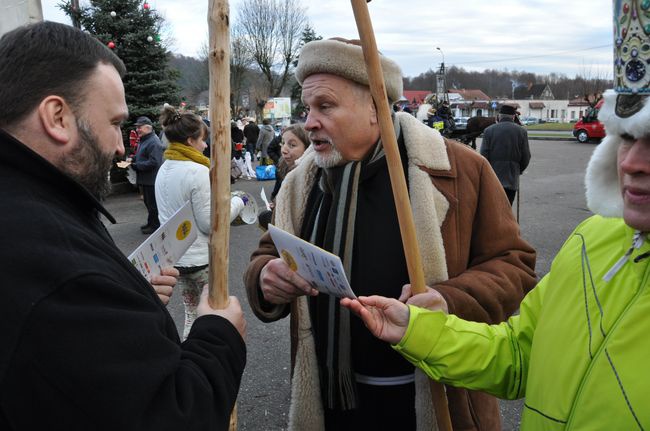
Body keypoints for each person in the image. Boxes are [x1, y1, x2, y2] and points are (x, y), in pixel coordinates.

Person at [243, 37, 536, 430]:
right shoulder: (301, 182)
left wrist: (447, 301)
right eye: (307, 107)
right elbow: (267, 252)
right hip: (331, 405)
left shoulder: (458, 170)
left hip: (427, 402)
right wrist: (266, 277)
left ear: (375, 108)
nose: (309, 121)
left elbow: (514, 266)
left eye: (325, 106)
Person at [0, 22, 246, 430]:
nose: (120, 145)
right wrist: (219, 334)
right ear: (57, 116)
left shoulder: (34, 209)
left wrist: (125, 296)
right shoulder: (48, 258)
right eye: (115, 123)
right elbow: (171, 415)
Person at [155, 106, 213, 340]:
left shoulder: (164, 168)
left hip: (177, 257)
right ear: (190, 141)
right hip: (200, 258)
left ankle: (187, 355)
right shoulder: (197, 170)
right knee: (212, 314)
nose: (205, 145)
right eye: (202, 140)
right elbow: (209, 223)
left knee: (191, 314)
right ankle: (207, 361)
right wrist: (237, 204)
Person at [258, 124, 311, 230]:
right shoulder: (283, 167)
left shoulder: (309, 178)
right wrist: (276, 203)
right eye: (283, 143)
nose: (283, 150)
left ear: (308, 148)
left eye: (292, 145)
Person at [480, 104, 531, 205]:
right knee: (507, 208)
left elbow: (483, 156)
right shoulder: (521, 131)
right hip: (512, 177)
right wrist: (518, 170)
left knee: (493, 209)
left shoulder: (488, 131)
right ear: (513, 117)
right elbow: (526, 157)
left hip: (493, 177)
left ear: (499, 116)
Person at [131, 115, 164, 233]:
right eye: (137, 127)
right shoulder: (145, 139)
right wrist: (133, 159)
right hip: (146, 179)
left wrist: (137, 165)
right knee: (148, 203)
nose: (137, 129)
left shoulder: (153, 141)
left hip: (152, 180)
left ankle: (155, 226)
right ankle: (151, 222)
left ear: (148, 127)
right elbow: (143, 155)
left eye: (140, 127)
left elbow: (154, 162)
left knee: (152, 204)